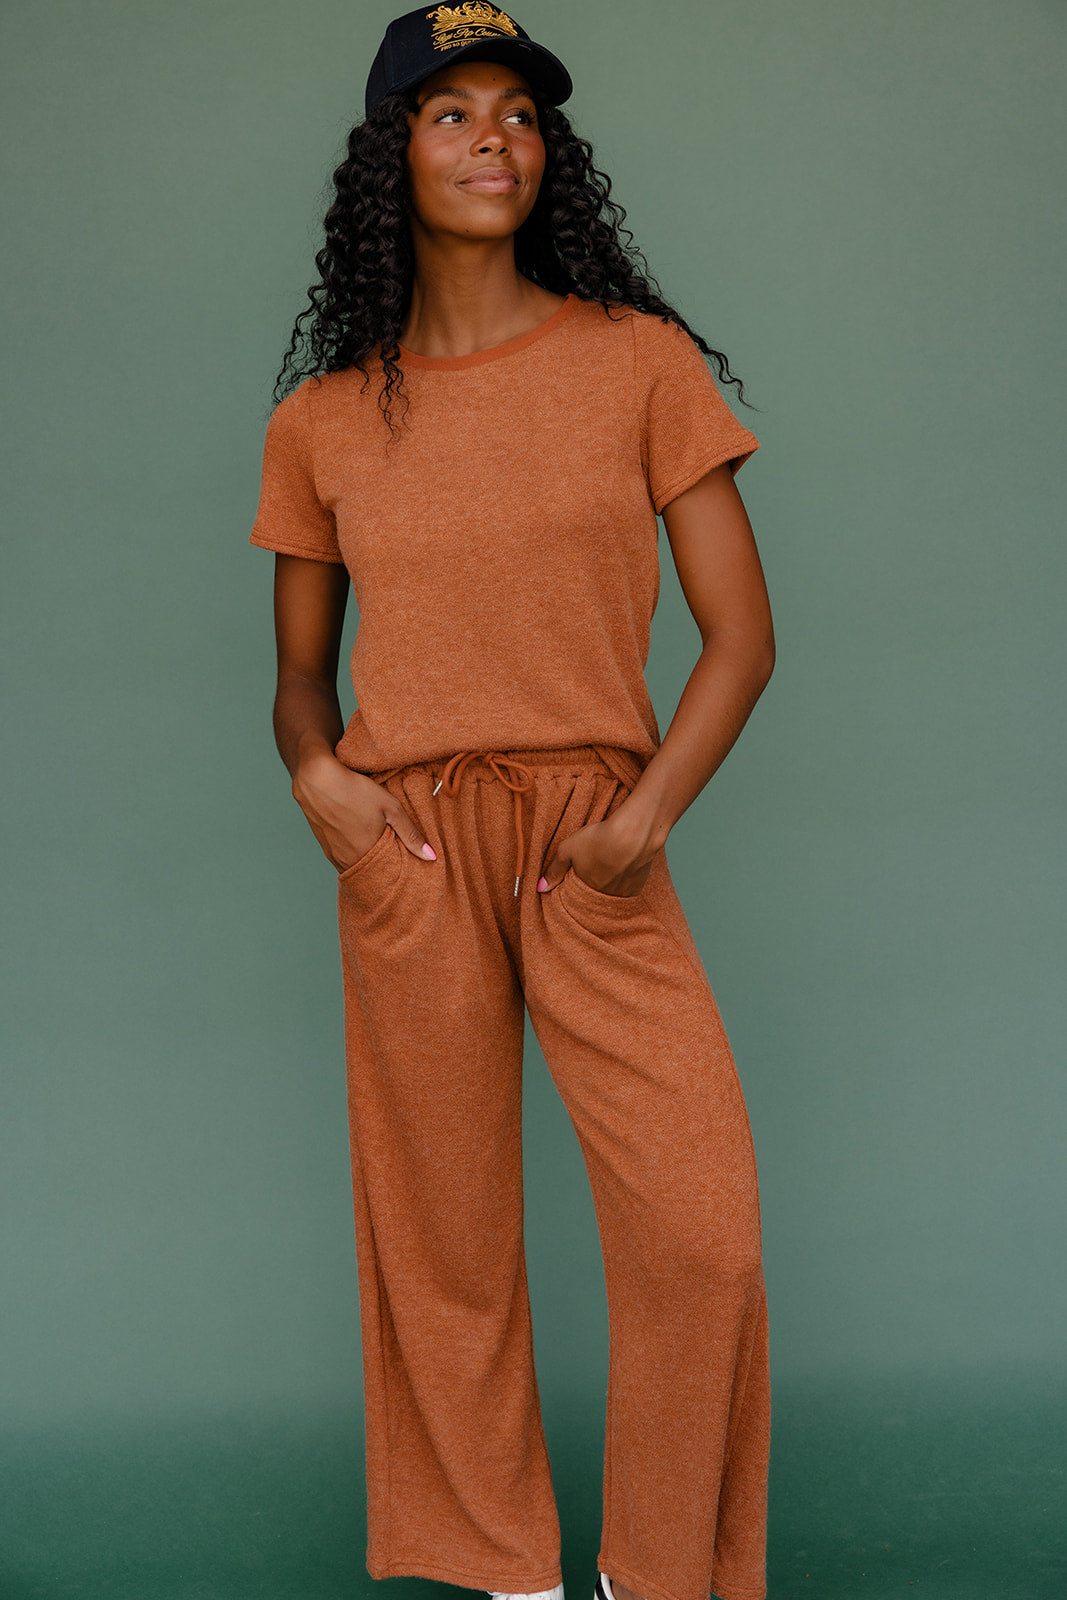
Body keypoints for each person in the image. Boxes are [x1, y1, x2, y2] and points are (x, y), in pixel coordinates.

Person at [248, 8, 775, 1600]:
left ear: (552, 156)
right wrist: (318, 781)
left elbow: (742, 640)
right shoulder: (325, 418)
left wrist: (644, 821)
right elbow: (295, 675)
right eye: (449, 114)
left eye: (518, 116)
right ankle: (506, 1569)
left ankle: (659, 1572)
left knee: (704, 1228)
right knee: (446, 1243)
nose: (493, 139)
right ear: (388, 157)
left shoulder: (639, 363)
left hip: (590, 843)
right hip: (408, 841)